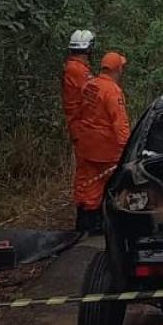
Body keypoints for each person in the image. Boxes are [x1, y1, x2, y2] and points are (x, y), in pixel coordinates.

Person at [74, 52, 130, 234]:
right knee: (116, 185)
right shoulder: (112, 91)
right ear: (118, 69)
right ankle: (101, 226)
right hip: (106, 150)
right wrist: (128, 148)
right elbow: (120, 123)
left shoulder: (90, 85)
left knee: (86, 185)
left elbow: (80, 112)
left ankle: (84, 224)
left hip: (86, 145)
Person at [63, 30, 95, 231]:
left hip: (82, 124)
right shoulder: (77, 70)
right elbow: (91, 95)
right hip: (82, 125)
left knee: (87, 172)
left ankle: (87, 214)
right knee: (87, 172)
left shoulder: (77, 68)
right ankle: (86, 219)